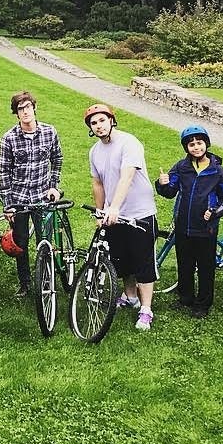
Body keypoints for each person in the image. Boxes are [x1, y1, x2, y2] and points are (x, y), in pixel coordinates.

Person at [85, 104, 159, 332]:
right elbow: (97, 183)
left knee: (143, 262)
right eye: (93, 123)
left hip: (139, 212)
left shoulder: (129, 143)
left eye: (101, 120)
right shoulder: (95, 151)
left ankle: (146, 309)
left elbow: (127, 176)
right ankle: (129, 297)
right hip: (112, 215)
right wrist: (101, 211)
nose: (98, 126)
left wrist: (115, 206)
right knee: (122, 261)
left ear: (111, 120)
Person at [155, 125, 223, 318]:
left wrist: (215, 213)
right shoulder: (182, 168)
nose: (196, 147)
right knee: (185, 264)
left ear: (206, 144)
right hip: (184, 226)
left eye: (199, 143)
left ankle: (203, 303)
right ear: (186, 148)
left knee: (206, 267)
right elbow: (170, 191)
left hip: (206, 229)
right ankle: (186, 298)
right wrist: (162, 184)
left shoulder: (216, 171)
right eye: (191, 144)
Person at [0, 91, 63, 298]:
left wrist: (53, 186)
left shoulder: (49, 132)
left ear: (34, 108)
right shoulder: (8, 138)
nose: (25, 112)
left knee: (44, 241)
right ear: (16, 113)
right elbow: (4, 172)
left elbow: (57, 159)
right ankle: (25, 282)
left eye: (28, 107)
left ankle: (45, 280)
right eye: (20, 109)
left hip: (42, 196)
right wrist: (8, 204)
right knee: (21, 243)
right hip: (19, 198)